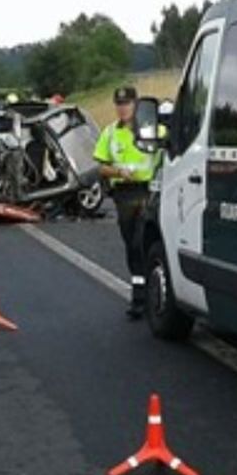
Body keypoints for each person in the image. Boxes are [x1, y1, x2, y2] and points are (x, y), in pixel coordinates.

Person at [94, 86, 155, 319]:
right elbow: (101, 167)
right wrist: (118, 171)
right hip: (125, 194)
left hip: (149, 191)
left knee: (143, 241)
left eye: (127, 104)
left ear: (136, 104)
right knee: (132, 244)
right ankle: (139, 296)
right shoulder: (110, 132)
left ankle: (149, 296)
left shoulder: (152, 129)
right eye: (119, 104)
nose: (122, 108)